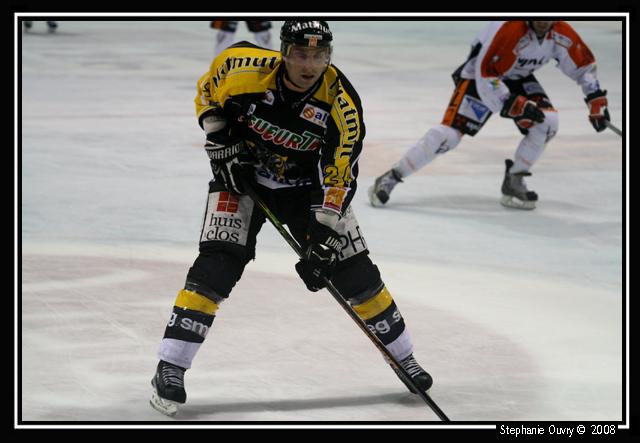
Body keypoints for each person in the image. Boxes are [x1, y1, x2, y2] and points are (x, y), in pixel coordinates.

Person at [150, 20, 433, 417]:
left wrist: (325, 234)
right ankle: (171, 365)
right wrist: (220, 138)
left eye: (319, 55)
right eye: (301, 54)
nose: (309, 65)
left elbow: (339, 175)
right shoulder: (243, 68)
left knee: (354, 271)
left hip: (306, 191)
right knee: (216, 265)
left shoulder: (341, 104)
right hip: (244, 178)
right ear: (284, 52)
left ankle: (404, 358)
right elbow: (208, 89)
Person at [369, 21, 611, 210]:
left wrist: (596, 101)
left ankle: (514, 179)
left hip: (516, 78)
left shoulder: (560, 32)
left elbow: (584, 67)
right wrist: (511, 103)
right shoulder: (509, 29)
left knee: (547, 122)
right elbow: (486, 73)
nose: (543, 21)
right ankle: (392, 177)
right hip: (479, 78)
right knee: (448, 136)